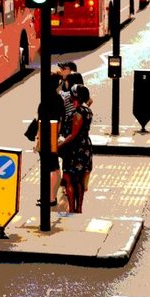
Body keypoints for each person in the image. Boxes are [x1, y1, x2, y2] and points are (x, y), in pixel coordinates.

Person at [58, 83, 94, 213]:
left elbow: (73, 134)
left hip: (75, 148)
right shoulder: (87, 110)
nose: (71, 100)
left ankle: (73, 209)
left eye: (72, 97)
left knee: (69, 178)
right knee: (79, 180)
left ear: (76, 97)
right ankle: (78, 208)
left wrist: (59, 145)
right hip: (85, 146)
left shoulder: (78, 112)